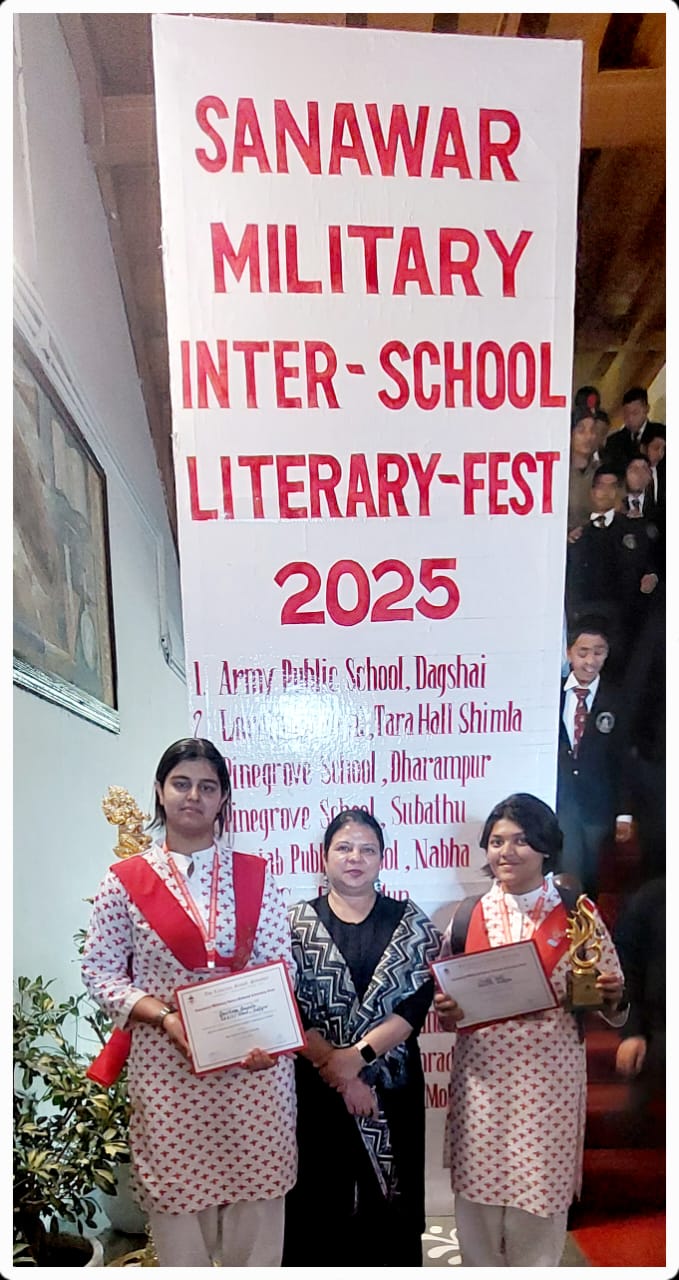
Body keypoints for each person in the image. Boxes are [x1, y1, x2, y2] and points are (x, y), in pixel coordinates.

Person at [82, 738, 297, 1267]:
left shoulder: (258, 874)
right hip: (168, 1069)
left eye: (207, 787)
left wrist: (268, 1039)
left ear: (223, 798)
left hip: (254, 1072)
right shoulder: (124, 882)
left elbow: (280, 965)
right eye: (181, 784)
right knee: (178, 1211)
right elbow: (99, 971)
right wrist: (165, 1017)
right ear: (160, 791)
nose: (193, 796)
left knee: (257, 1210)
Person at [435, 793, 627, 1268]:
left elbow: (612, 1004)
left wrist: (612, 994)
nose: (507, 851)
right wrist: (446, 1009)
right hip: (482, 1088)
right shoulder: (467, 915)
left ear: (545, 847)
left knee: (538, 1212)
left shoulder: (578, 914)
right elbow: (446, 1005)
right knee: (477, 1213)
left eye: (521, 840)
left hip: (548, 1090)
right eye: (497, 841)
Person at [283, 808, 440, 1266]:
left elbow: (414, 1007)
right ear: (324, 857)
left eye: (368, 849)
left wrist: (358, 1059)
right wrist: (338, 1069)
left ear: (382, 859)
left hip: (390, 1086)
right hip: (318, 1084)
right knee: (316, 1204)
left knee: (390, 1205)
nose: (355, 858)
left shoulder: (410, 923)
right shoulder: (295, 926)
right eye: (344, 848)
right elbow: (286, 1007)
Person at [557, 619, 631, 896]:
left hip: (599, 806)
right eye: (583, 652)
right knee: (568, 872)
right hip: (562, 803)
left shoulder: (617, 699)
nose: (590, 661)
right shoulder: (551, 693)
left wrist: (624, 813)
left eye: (598, 652)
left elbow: (623, 760)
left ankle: (591, 921)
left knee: (596, 875)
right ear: (569, 653)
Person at [600, 385, 665, 470]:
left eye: (635, 413)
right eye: (626, 414)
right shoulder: (614, 442)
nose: (630, 419)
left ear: (647, 409)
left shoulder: (662, 433)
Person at [567, 408, 599, 536]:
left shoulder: (601, 472)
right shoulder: (558, 471)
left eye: (592, 430)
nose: (588, 436)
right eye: (581, 431)